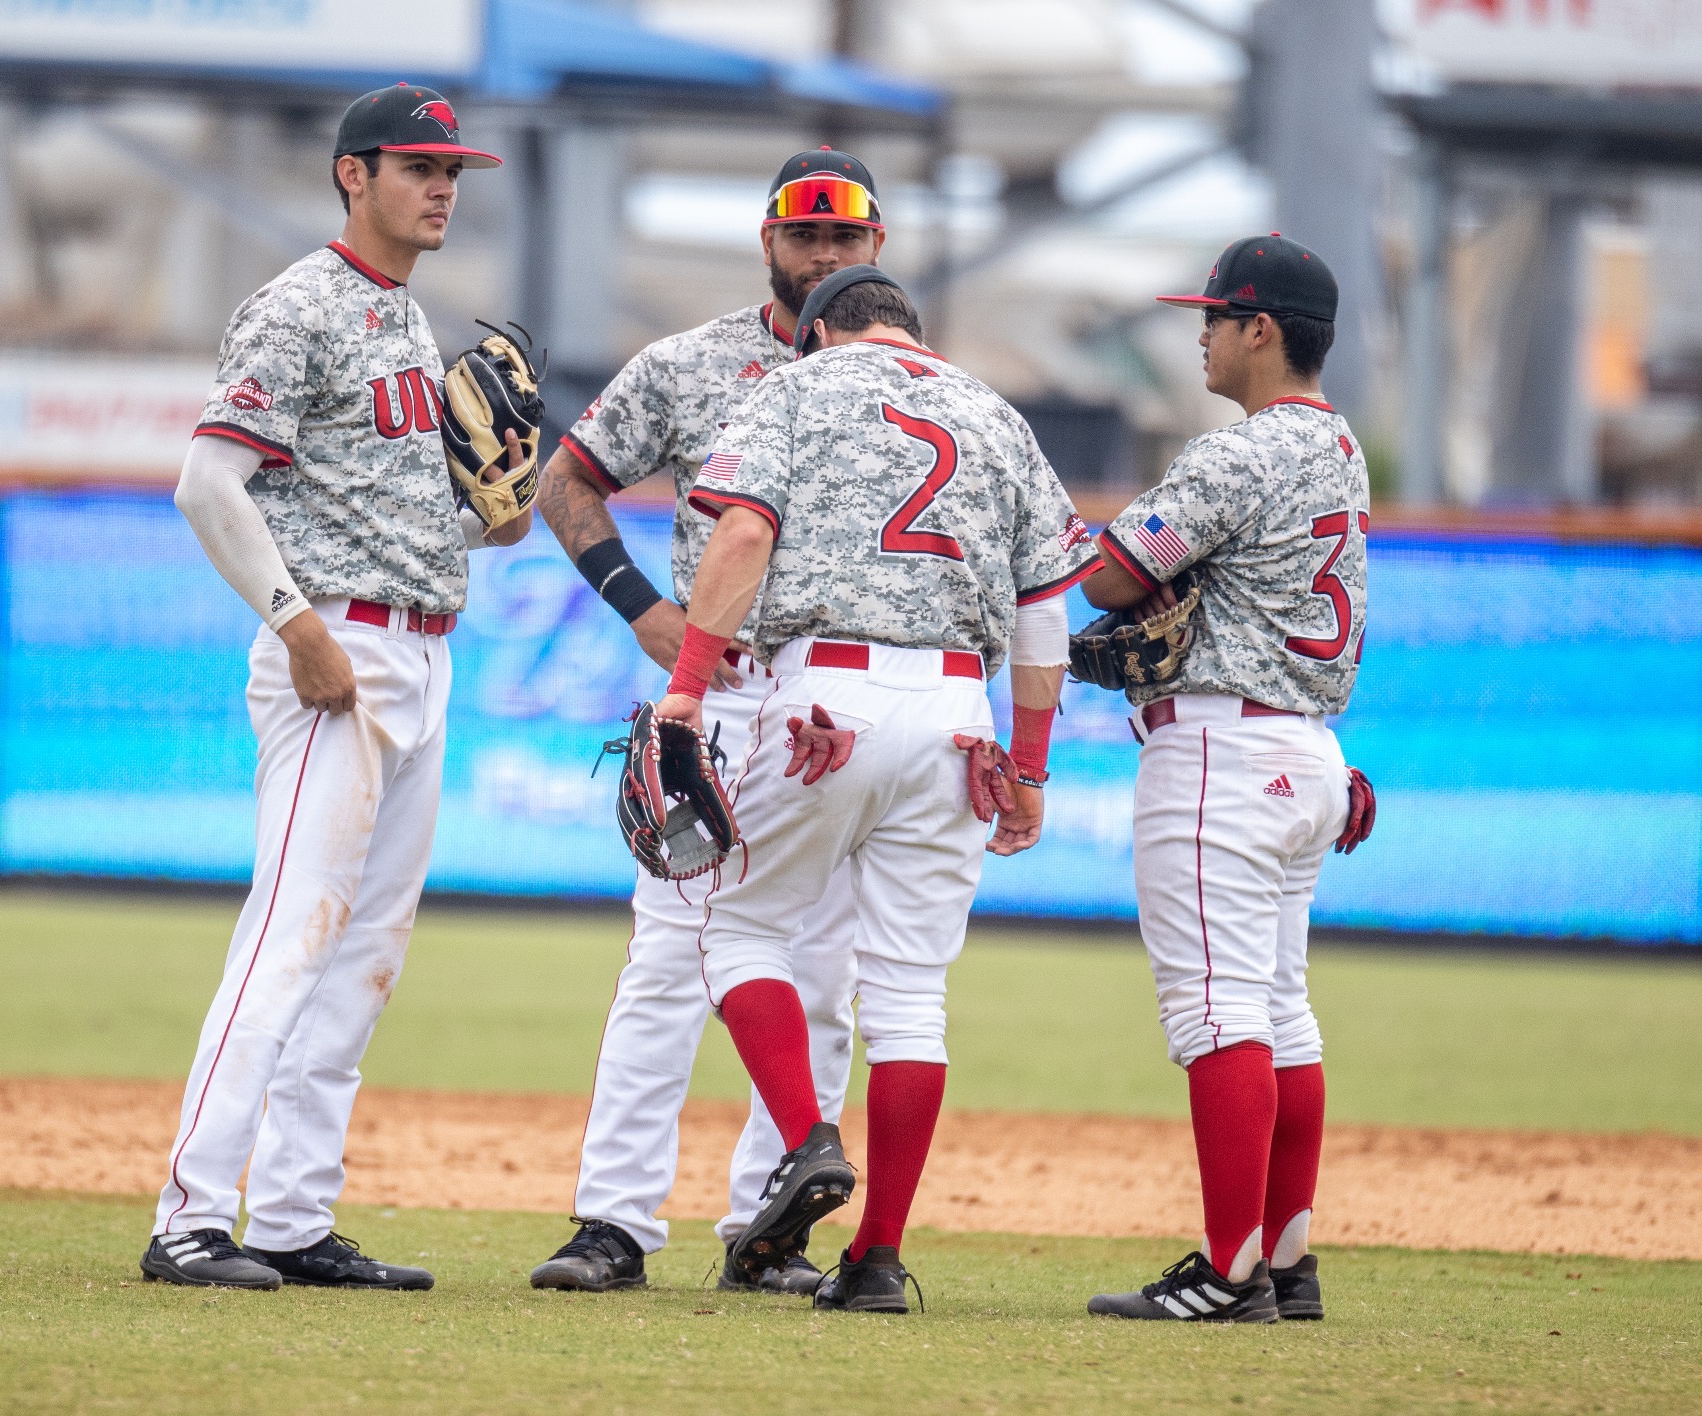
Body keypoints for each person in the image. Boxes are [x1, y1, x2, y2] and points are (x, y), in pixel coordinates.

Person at [140, 84, 526, 1291]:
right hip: (335, 657)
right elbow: (208, 485)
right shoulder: (298, 305)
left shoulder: (407, 319)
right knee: (287, 939)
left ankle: (295, 1220)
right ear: (351, 175)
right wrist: (295, 623)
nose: (442, 185)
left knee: (365, 954)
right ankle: (190, 1218)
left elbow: (379, 506)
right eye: (417, 165)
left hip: (420, 645)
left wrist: (485, 514)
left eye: (452, 168)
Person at [655, 266, 1099, 1313]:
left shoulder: (795, 387)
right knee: (908, 992)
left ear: (817, 334)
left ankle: (807, 1140)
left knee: (736, 928)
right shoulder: (994, 414)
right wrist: (1028, 767)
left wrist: (683, 690)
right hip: (955, 718)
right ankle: (879, 1260)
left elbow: (744, 533)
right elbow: (1043, 616)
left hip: (822, 700)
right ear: (909, 330)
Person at [527, 148, 885, 1296]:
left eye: (844, 238)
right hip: (720, 696)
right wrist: (643, 612)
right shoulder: (689, 366)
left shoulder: (914, 383)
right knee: (668, 965)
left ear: (875, 246)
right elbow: (563, 480)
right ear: (766, 240)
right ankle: (613, 1226)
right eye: (804, 235)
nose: (823, 255)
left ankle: (766, 1230)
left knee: (821, 977)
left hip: (843, 704)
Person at [1078, 233, 1375, 1323]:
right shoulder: (1336, 445)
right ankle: (1284, 1263)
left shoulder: (1238, 453)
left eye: (1213, 315)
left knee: (1215, 1012)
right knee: (1279, 1013)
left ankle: (1227, 1270)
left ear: (1260, 329)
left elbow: (1112, 576)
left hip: (1221, 751)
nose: (1198, 332)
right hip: (1301, 749)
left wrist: (1082, 550)